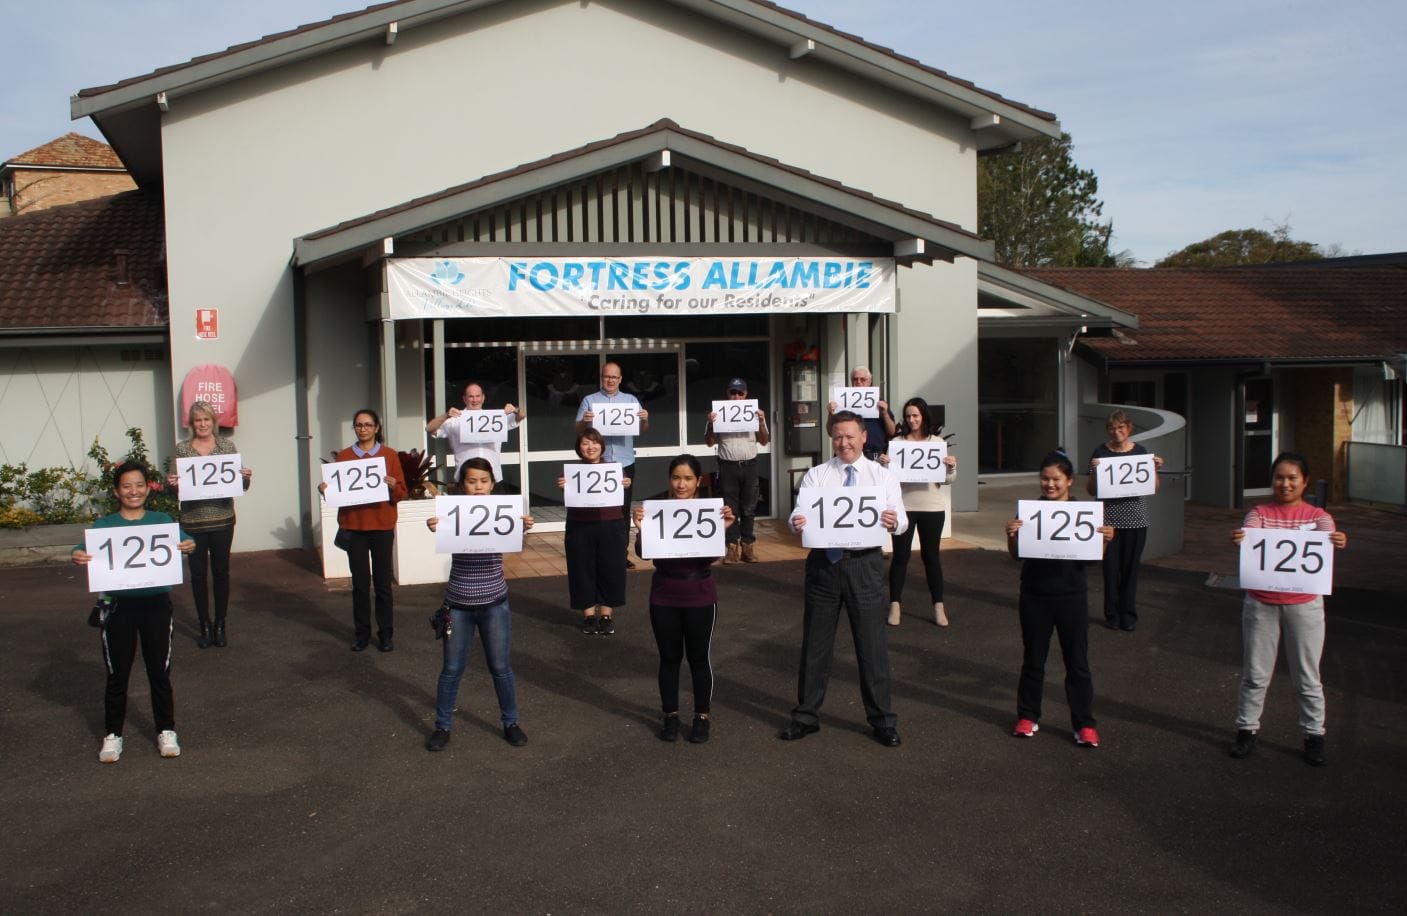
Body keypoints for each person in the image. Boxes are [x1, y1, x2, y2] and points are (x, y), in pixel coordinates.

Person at [781, 410, 907, 747]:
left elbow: (903, 520)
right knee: (815, 644)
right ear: (831, 438)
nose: (844, 442)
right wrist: (797, 523)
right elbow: (798, 514)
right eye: (838, 436)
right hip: (824, 565)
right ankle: (806, 715)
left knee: (872, 646)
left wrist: (896, 522)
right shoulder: (817, 476)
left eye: (850, 436)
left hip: (865, 565)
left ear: (864, 437)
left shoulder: (882, 477)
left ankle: (882, 719)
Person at [72, 460, 196, 763]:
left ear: (148, 488)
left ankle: (166, 729)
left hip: (156, 606)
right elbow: (80, 549)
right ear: (117, 491)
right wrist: (76, 554)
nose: (133, 491)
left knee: (159, 671)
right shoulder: (104, 525)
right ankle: (113, 734)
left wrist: (189, 544)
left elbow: (184, 542)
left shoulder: (161, 519)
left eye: (139, 485)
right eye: (126, 486)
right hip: (118, 608)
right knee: (118, 673)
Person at [1228, 452, 1347, 766]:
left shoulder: (1319, 517)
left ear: (1304, 481)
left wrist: (1336, 541)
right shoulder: (1259, 513)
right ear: (1272, 481)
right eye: (1279, 477)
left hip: (1304, 606)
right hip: (1260, 604)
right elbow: (1250, 531)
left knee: (1308, 676)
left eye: (1292, 477)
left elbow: (1326, 541)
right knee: (1255, 674)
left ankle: (1313, 734)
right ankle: (1246, 729)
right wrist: (1243, 538)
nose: (1285, 483)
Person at [1005, 449, 1114, 748]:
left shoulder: (1084, 513)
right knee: (1033, 659)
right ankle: (1027, 715)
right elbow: (1017, 555)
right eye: (1044, 479)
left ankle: (1084, 723)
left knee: (1077, 662)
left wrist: (1104, 541)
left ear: (1069, 481)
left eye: (1056, 479)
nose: (1049, 484)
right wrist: (1011, 535)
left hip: (1071, 595)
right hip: (1035, 594)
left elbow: (1093, 560)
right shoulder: (1029, 511)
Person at [423, 458, 533, 752]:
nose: (478, 487)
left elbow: (514, 546)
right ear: (462, 485)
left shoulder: (501, 512)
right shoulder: (452, 513)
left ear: (492, 484)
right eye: (472, 482)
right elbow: (439, 531)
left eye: (484, 481)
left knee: (500, 667)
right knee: (451, 669)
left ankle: (511, 722)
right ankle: (442, 726)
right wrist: (434, 524)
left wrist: (523, 529)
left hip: (495, 603)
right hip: (458, 605)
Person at [632, 454, 735, 743]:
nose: (681, 484)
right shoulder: (657, 511)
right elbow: (643, 553)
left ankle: (702, 717)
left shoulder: (708, 512)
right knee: (669, 659)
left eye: (688, 478)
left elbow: (712, 555)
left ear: (697, 482)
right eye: (676, 477)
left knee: (699, 659)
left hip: (699, 594)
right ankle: (670, 716)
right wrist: (640, 529)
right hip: (664, 594)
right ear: (669, 480)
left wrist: (723, 528)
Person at [165, 400, 252, 649]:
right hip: (193, 522)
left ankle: (221, 624)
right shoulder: (182, 450)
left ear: (213, 422)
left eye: (206, 419)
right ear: (191, 424)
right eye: (197, 420)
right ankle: (204, 624)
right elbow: (175, 491)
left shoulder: (227, 446)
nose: (202, 424)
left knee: (221, 573)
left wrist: (245, 479)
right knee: (198, 576)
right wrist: (172, 484)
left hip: (223, 520)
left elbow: (239, 487)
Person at [321, 409, 407, 652]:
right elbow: (336, 494)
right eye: (359, 425)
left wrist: (392, 486)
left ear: (377, 428)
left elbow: (401, 492)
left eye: (368, 424)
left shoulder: (389, 456)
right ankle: (361, 633)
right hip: (355, 527)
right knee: (359, 584)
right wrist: (325, 490)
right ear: (355, 428)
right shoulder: (345, 456)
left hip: (381, 526)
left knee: (382, 584)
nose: (363, 429)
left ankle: (386, 634)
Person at [878, 397, 957, 627]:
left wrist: (951, 467)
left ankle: (939, 606)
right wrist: (885, 465)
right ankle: (895, 605)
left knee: (931, 557)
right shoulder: (897, 442)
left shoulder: (937, 442)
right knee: (900, 557)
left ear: (923, 416)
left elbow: (947, 479)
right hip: (904, 507)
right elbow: (888, 479)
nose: (912, 420)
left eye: (916, 415)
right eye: (908, 416)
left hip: (932, 507)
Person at [1085, 409, 1164, 631]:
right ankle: (1111, 614)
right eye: (1111, 428)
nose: (1116, 432)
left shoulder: (1140, 452)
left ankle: (1128, 614)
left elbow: (1153, 487)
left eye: (1120, 427)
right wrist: (1093, 472)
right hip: (1108, 520)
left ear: (1129, 428)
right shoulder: (1100, 452)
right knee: (1110, 569)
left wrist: (1154, 469)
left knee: (1131, 569)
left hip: (1136, 519)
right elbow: (1091, 490)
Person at [575, 361, 648, 568]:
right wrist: (585, 421)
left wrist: (644, 419)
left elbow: (642, 429)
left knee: (622, 512)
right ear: (601, 377)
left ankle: (619, 554)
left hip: (625, 463)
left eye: (614, 377)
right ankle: (596, 553)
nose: (610, 380)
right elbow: (578, 429)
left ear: (620, 379)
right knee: (597, 510)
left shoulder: (631, 400)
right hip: (598, 465)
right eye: (607, 376)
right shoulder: (590, 400)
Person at [558, 428, 630, 635]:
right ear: (579, 448)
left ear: (602, 445)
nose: (590, 447)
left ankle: (607, 616)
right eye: (585, 443)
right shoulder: (571, 472)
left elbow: (624, 486)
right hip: (579, 525)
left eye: (594, 442)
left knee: (611, 568)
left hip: (611, 524)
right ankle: (589, 616)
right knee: (581, 569)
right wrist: (563, 485)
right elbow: (567, 493)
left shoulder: (614, 469)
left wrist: (626, 482)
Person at [704, 376, 769, 564]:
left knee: (749, 506)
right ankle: (731, 547)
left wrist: (762, 421)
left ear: (746, 394)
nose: (736, 396)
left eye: (740, 393)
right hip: (727, 465)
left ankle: (748, 545)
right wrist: (710, 424)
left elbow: (764, 440)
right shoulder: (719, 413)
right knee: (729, 508)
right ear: (728, 394)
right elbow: (709, 443)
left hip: (749, 464)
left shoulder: (754, 413)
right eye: (733, 392)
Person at [425, 381, 525, 485]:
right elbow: (429, 428)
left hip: (493, 479)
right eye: (471, 397)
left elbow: (521, 416)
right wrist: (446, 415)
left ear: (483, 398)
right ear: (464, 399)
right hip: (465, 480)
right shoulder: (455, 420)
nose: (475, 400)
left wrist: (515, 409)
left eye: (478, 396)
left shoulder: (496, 418)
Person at [828, 365, 896, 460]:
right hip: (848, 453)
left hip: (874, 455)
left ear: (870, 381)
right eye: (855, 379)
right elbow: (831, 432)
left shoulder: (879, 403)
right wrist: (831, 414)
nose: (859, 382)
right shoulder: (842, 403)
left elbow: (892, 432)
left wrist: (885, 413)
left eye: (863, 379)